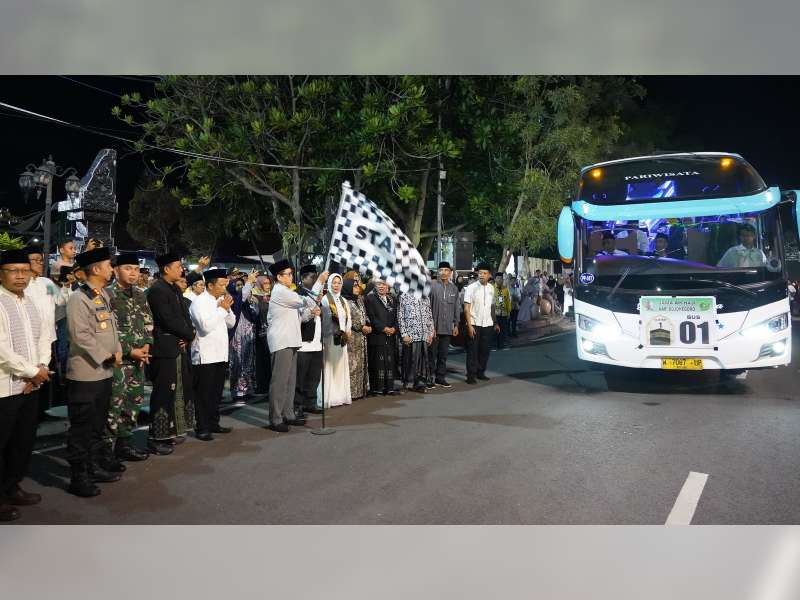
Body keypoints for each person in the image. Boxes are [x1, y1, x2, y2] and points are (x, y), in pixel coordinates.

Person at [65, 246, 124, 497]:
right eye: (109, 265)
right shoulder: (79, 298)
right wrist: (107, 356)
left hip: (104, 372)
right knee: (82, 428)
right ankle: (78, 477)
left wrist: (118, 350)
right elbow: (80, 336)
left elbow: (112, 329)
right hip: (85, 374)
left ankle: (93, 467)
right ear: (97, 269)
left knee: (97, 426)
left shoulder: (103, 295)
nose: (112, 269)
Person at [0, 249, 51, 520]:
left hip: (31, 385)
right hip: (4, 389)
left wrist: (41, 367)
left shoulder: (30, 301)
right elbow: (2, 351)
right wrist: (33, 372)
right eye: (13, 271)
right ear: (1, 274)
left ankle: (12, 487)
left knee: (22, 441)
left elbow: (44, 337)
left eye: (24, 271)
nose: (20, 276)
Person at [267, 260, 325, 432]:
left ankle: (288, 413)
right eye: (288, 274)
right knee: (280, 381)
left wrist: (311, 312)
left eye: (291, 274)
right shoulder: (280, 291)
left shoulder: (287, 292)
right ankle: (276, 418)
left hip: (292, 340)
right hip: (282, 341)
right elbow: (305, 300)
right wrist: (320, 282)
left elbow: (302, 316)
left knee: (291, 381)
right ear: (279, 277)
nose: (291, 277)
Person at [146, 253, 196, 455]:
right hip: (164, 348)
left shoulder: (174, 288)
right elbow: (167, 319)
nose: (181, 270)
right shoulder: (157, 290)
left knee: (178, 391)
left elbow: (184, 316)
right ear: (166, 269)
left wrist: (189, 334)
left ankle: (172, 431)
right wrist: (188, 334)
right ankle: (157, 438)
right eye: (178, 266)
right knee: (163, 393)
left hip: (178, 347)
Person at [106, 252, 153, 463]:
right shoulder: (108, 295)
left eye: (136, 269)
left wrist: (146, 345)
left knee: (133, 403)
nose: (133, 273)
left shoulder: (140, 295)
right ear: (116, 271)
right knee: (113, 406)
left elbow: (148, 323)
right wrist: (129, 350)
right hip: (118, 361)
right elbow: (107, 331)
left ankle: (124, 445)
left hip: (138, 360)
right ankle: (106, 452)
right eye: (128, 269)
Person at [189, 268, 236, 441]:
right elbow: (205, 327)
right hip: (205, 355)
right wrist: (222, 310)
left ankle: (214, 423)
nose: (225, 288)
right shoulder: (199, 302)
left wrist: (227, 309)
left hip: (221, 353)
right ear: (210, 285)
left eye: (226, 284)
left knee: (216, 392)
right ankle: (202, 427)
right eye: (222, 284)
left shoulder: (220, 300)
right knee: (204, 394)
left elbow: (231, 323)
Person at [295, 265, 325, 417]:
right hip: (304, 342)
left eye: (316, 277)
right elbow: (301, 317)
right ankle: (297, 405)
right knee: (300, 377)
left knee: (314, 376)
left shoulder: (318, 294)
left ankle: (310, 402)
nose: (314, 280)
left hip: (317, 342)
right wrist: (312, 312)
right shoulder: (298, 294)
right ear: (302, 278)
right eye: (312, 277)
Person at [463, 262, 500, 384]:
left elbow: (492, 307)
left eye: (484, 273)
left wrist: (495, 322)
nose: (482, 275)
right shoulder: (471, 288)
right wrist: (469, 326)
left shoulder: (491, 288)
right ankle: (471, 375)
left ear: (489, 275)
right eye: (480, 273)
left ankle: (481, 372)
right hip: (474, 323)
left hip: (488, 324)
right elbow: (466, 308)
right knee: (472, 351)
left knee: (485, 350)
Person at [319, 273, 352, 407]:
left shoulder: (343, 300)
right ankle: (329, 397)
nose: (336, 285)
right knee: (329, 366)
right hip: (330, 338)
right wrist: (334, 331)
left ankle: (341, 396)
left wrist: (347, 331)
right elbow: (325, 319)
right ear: (329, 283)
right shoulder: (325, 299)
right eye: (334, 282)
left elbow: (348, 318)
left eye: (339, 283)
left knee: (340, 367)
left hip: (342, 338)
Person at [364, 278, 400, 396]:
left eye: (384, 284)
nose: (381, 286)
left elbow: (397, 316)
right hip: (377, 336)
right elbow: (371, 317)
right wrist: (384, 328)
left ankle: (389, 387)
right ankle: (377, 388)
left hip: (390, 336)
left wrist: (394, 328)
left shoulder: (392, 299)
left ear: (388, 286)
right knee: (378, 363)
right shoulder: (370, 299)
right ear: (375, 285)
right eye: (379, 284)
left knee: (389, 363)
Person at [227, 270, 258, 401]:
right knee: (237, 363)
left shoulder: (245, 303)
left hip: (248, 336)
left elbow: (255, 315)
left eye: (241, 285)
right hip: (236, 336)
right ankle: (237, 391)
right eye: (237, 285)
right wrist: (249, 282)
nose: (240, 287)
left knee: (248, 362)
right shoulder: (232, 299)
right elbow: (242, 297)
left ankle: (247, 389)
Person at [428, 261, 459, 388]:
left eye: (446, 270)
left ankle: (440, 378)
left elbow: (456, 307)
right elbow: (426, 307)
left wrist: (456, 324)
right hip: (433, 328)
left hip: (447, 328)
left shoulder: (454, 288)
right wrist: (430, 327)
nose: (443, 272)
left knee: (443, 356)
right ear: (438, 272)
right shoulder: (431, 286)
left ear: (450, 272)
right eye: (441, 270)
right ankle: (429, 378)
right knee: (431, 355)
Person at [397, 289, 434, 393]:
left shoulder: (425, 297)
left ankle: (419, 384)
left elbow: (430, 316)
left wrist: (430, 333)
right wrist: (404, 334)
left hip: (424, 335)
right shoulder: (404, 296)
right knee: (409, 360)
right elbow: (400, 317)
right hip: (410, 336)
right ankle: (407, 383)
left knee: (422, 362)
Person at [342, 279, 370, 400]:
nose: (357, 288)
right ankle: (351, 393)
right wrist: (360, 326)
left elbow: (364, 315)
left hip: (362, 337)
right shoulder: (345, 301)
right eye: (354, 286)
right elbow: (347, 318)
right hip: (352, 337)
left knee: (361, 364)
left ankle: (360, 391)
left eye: (358, 286)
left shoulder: (359, 300)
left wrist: (368, 324)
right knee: (352, 365)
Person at [253, 275, 273, 395]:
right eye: (265, 283)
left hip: (272, 332)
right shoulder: (256, 297)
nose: (267, 285)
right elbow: (256, 312)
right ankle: (262, 385)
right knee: (262, 360)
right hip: (261, 333)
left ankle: (270, 384)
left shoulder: (273, 296)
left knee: (270, 360)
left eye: (268, 283)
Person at [493, 273, 511, 350]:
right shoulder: (491, 289)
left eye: (501, 279)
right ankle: (494, 345)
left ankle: (502, 345)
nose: (500, 280)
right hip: (494, 313)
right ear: (495, 279)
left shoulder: (505, 289)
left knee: (503, 330)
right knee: (494, 329)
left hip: (503, 313)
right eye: (498, 278)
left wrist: (508, 311)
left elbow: (508, 301)